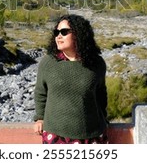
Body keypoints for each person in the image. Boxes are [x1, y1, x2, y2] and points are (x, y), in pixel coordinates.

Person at [33, 14, 108, 144]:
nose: (58, 36)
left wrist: (104, 119)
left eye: (64, 32)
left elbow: (101, 94)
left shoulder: (96, 64)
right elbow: (40, 92)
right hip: (56, 135)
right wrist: (39, 118)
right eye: (56, 32)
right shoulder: (48, 63)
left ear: (79, 34)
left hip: (92, 135)